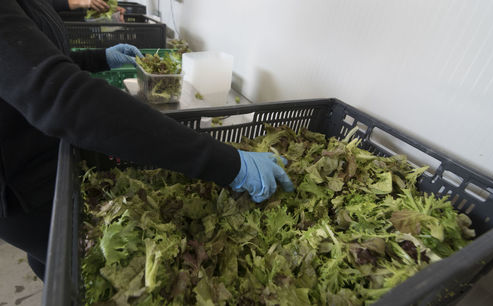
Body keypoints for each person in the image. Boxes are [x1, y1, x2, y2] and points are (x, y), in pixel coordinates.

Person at [0, 0, 294, 281]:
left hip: (45, 155)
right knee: (77, 267)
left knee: (52, 261)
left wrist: (98, 58)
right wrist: (228, 163)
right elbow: (62, 97)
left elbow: (34, 57)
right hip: (17, 184)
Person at [52, 0, 126, 22]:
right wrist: (80, 2)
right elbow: (45, 4)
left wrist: (107, 9)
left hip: (79, 30)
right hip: (52, 34)